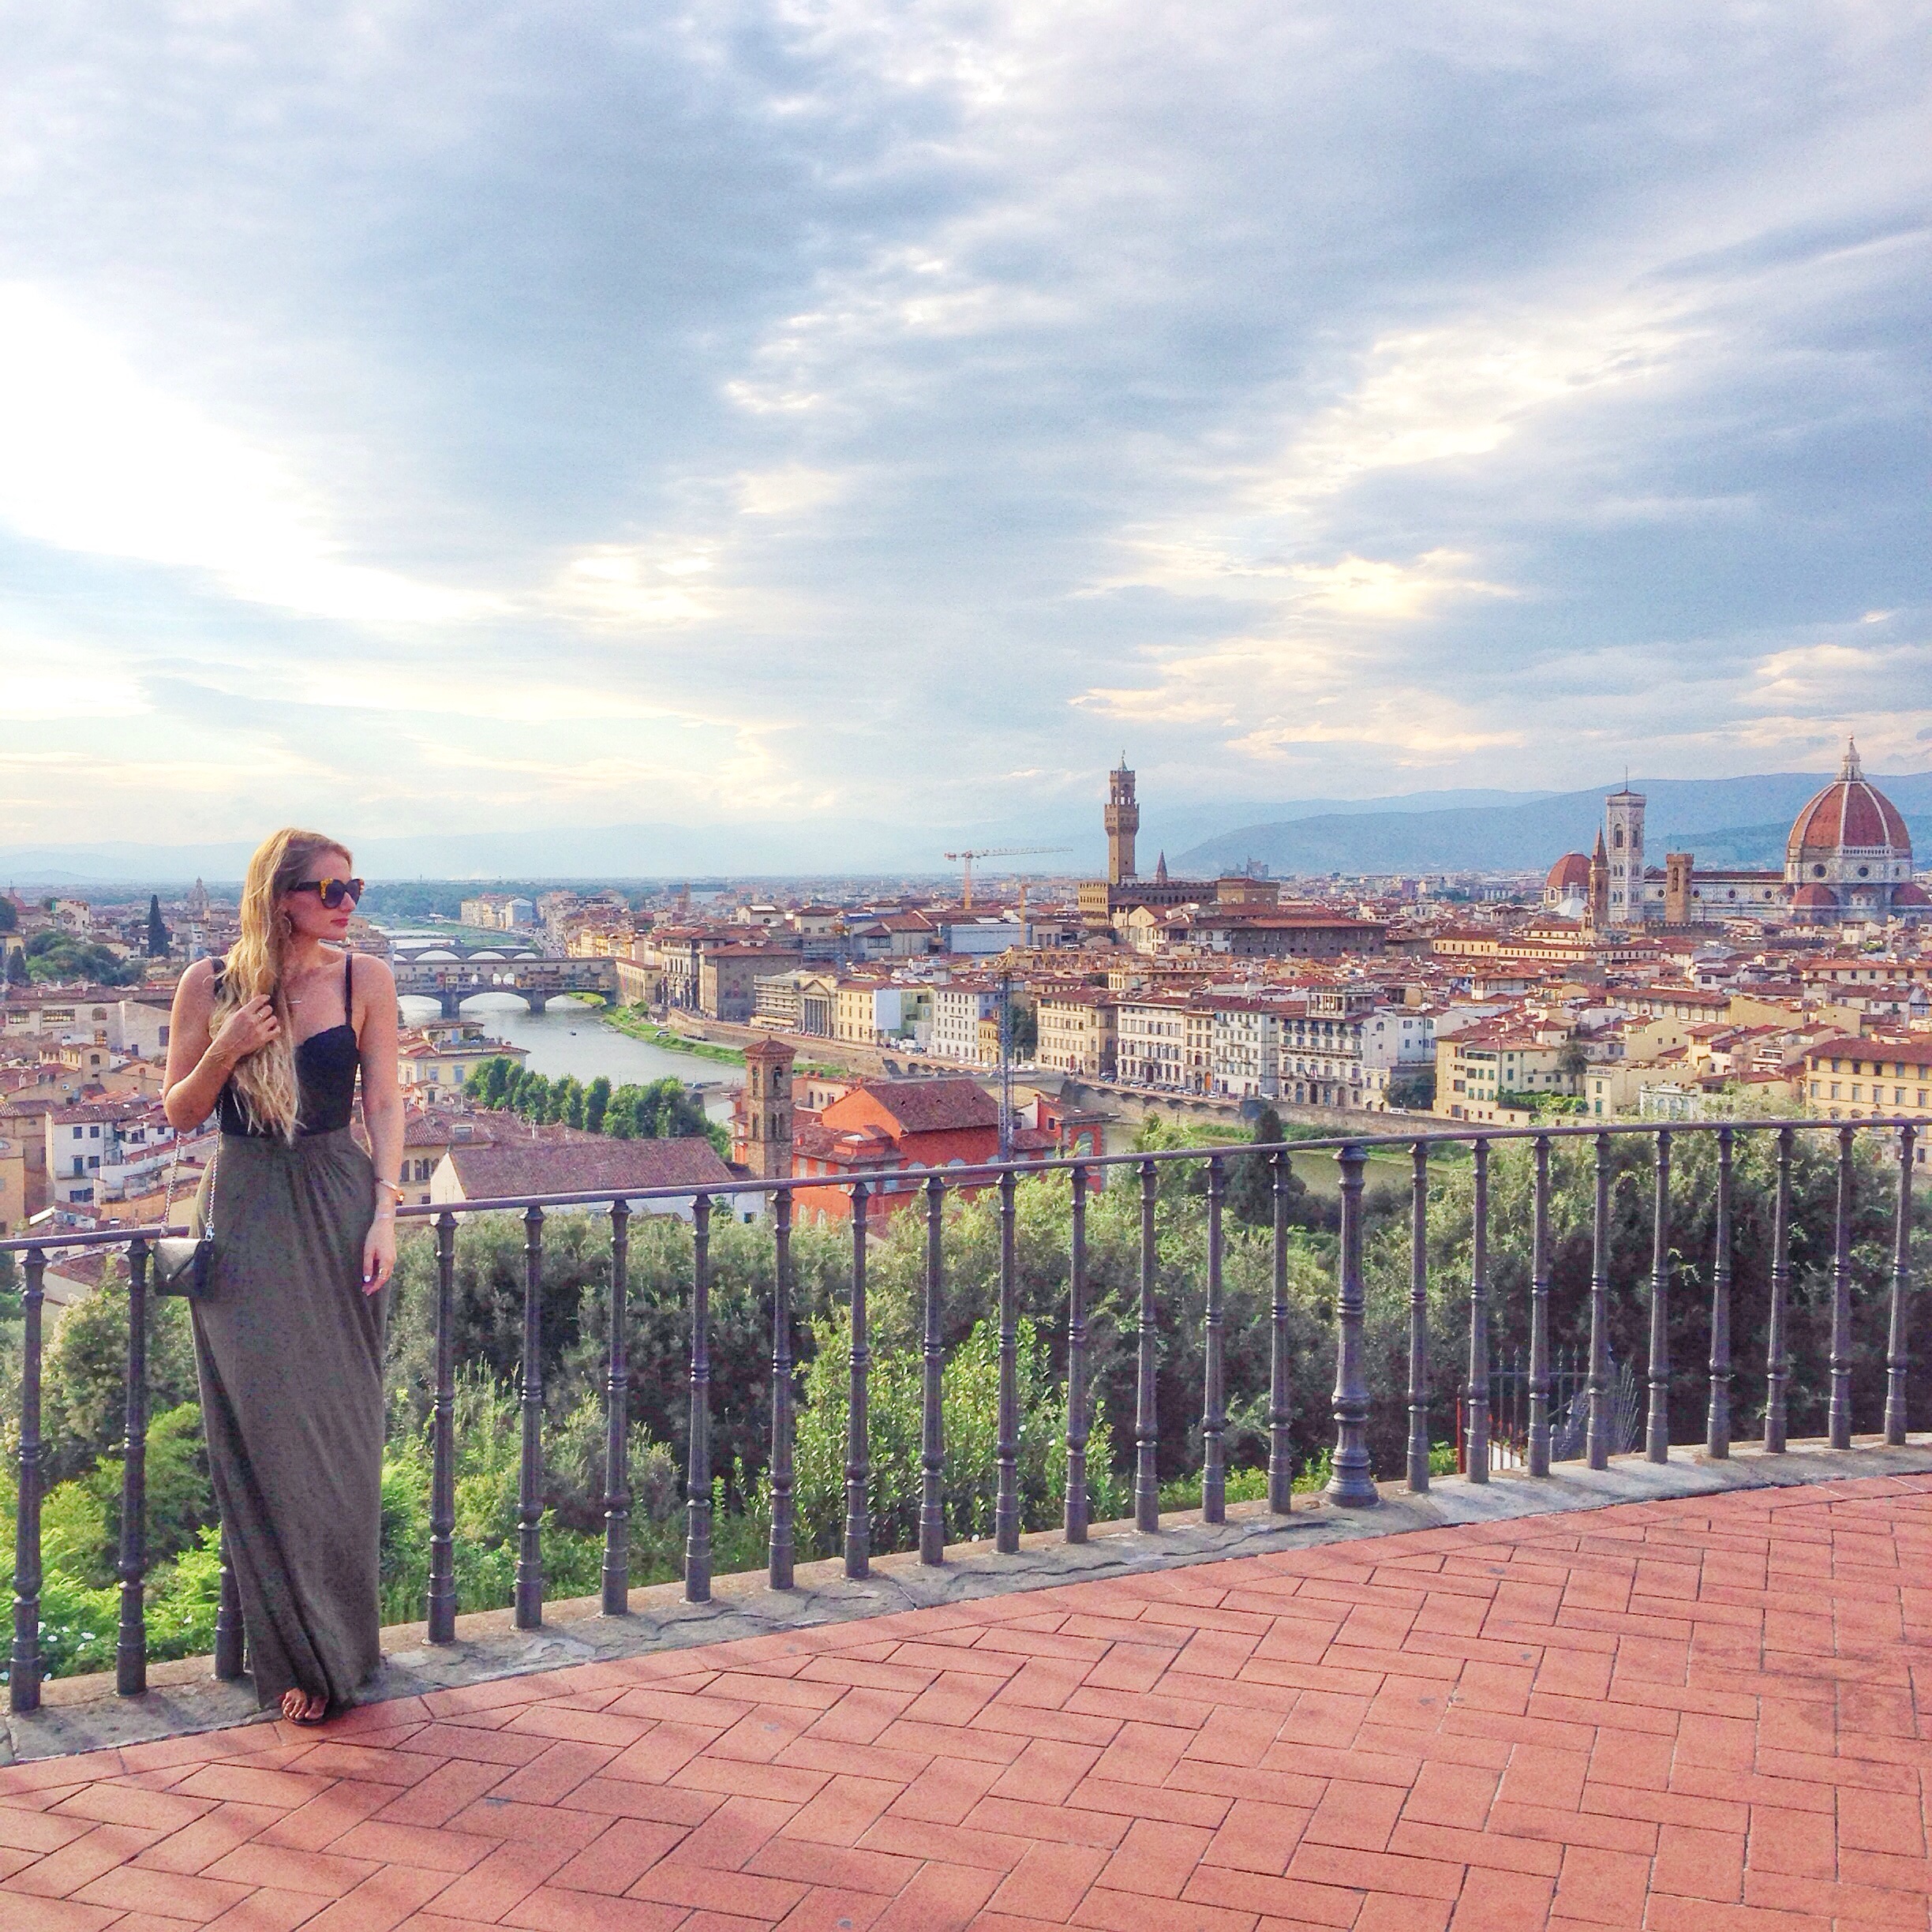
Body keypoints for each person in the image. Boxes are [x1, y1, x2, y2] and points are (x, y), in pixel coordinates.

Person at [163, 829, 402, 1725]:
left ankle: (347, 1645)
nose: (347, 905)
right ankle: (294, 1659)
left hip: (339, 1203)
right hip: (246, 1208)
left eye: (354, 888)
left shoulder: (363, 980)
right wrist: (227, 1046)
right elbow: (181, 1110)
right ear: (280, 896)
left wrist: (387, 1211)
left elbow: (383, 1102)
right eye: (328, 890)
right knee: (261, 1436)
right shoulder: (209, 985)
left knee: (340, 1437)